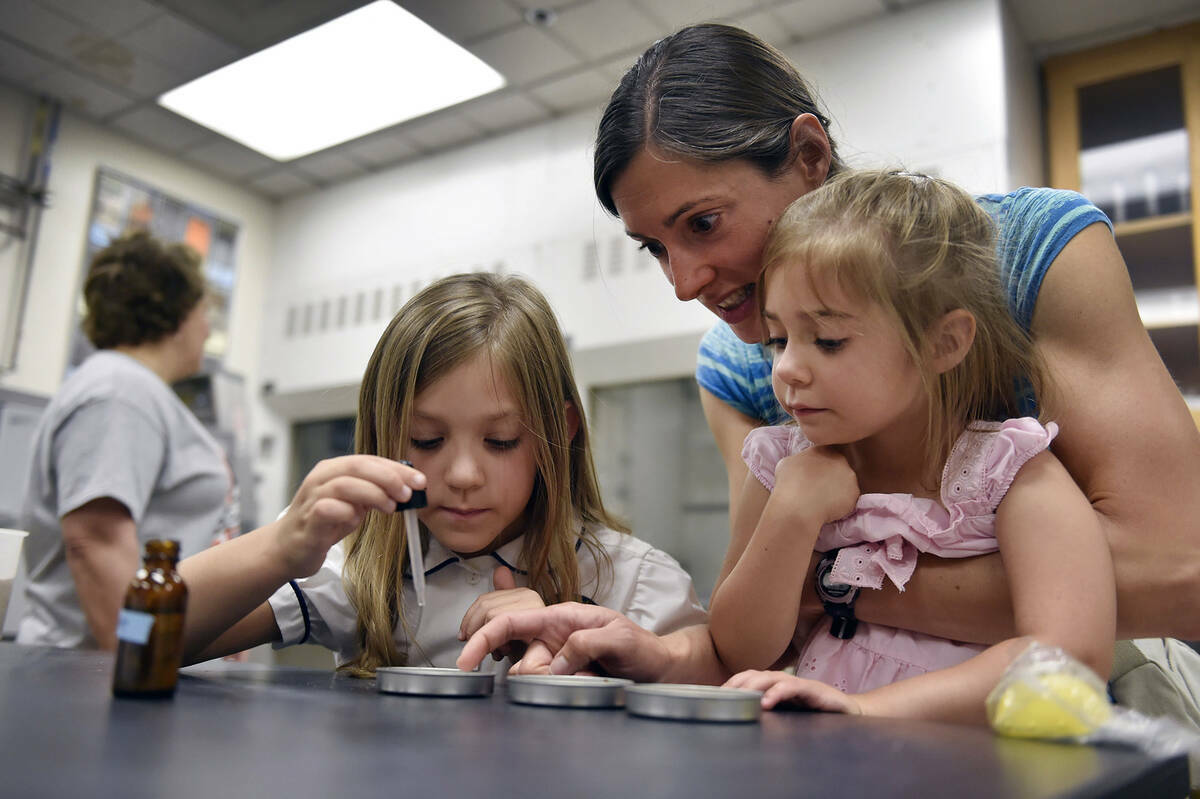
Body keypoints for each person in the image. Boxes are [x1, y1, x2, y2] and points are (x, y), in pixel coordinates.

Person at [459, 22, 1200, 680]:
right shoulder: (738, 367)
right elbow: (755, 635)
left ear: (809, 152)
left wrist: (839, 578)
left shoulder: (1032, 254)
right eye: (655, 246)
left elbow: (1176, 571)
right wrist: (645, 645)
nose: (684, 283)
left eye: (705, 223)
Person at [707, 169, 1113, 722]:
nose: (788, 369)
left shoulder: (1007, 473)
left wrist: (864, 710)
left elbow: (1072, 655)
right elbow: (736, 648)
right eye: (778, 338)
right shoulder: (782, 469)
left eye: (828, 340)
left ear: (943, 342)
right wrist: (791, 515)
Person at [178, 273, 706, 671]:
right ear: (385, 434)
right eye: (425, 440)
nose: (462, 475)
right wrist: (279, 550)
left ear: (560, 431)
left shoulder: (628, 578)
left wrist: (590, 659)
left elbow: (723, 681)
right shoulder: (362, 571)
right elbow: (142, 635)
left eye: (500, 441)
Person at [17, 231, 239, 650]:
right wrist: (137, 655)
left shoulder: (135, 392)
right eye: (203, 311)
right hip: (94, 681)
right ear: (174, 312)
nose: (208, 331)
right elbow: (95, 540)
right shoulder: (119, 391)